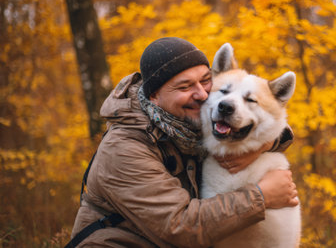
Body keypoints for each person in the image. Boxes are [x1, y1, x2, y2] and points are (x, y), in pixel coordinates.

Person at [68, 37, 298, 247]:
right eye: (185, 86)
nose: (202, 94)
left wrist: (261, 145)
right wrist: (263, 195)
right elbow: (178, 226)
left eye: (206, 81)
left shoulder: (186, 125)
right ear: (154, 95)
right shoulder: (124, 148)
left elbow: (264, 121)